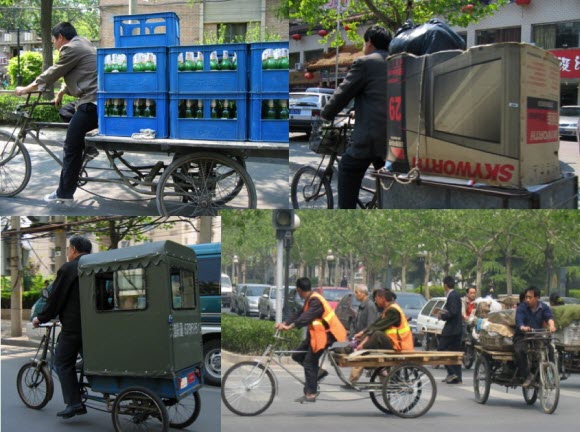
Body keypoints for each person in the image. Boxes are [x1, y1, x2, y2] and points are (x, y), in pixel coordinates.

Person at [15, 22, 98, 205]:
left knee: (70, 148)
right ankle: (89, 145)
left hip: (91, 103)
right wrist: (61, 92)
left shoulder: (70, 48)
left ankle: (64, 194)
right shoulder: (83, 42)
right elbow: (80, 73)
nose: (54, 44)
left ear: (60, 37)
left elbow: (54, 72)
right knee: (66, 110)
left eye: (54, 41)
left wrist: (27, 88)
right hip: (94, 99)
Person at [320, 25, 392, 208]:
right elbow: (379, 96)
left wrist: (326, 114)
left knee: (347, 169)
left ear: (369, 42)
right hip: (395, 137)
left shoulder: (365, 63)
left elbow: (342, 94)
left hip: (371, 137)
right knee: (388, 179)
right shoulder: (398, 61)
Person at [32, 235, 92, 419]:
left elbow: (55, 298)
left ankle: (74, 403)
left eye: (67, 249)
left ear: (73, 249)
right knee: (92, 362)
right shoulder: (95, 264)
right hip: (95, 327)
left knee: (61, 362)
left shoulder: (69, 268)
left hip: (74, 327)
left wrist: (40, 318)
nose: (67, 253)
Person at [276, 277, 347, 403]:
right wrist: (285, 323)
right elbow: (299, 313)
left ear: (298, 289)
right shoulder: (310, 299)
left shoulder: (316, 301)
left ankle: (311, 393)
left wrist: (290, 327)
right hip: (315, 335)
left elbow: (306, 317)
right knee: (297, 356)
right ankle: (318, 373)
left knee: (309, 362)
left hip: (325, 336)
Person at [346, 289, 414, 386]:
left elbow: (379, 326)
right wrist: (363, 333)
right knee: (370, 335)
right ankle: (378, 370)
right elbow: (376, 323)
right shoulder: (387, 310)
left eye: (376, 298)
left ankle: (359, 353)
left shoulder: (393, 311)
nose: (375, 301)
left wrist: (362, 343)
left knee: (376, 334)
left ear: (382, 298)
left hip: (399, 345)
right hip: (392, 343)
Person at [514, 287, 556, 387]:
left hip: (538, 335)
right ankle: (527, 376)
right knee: (520, 351)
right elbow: (519, 320)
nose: (527, 300)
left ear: (537, 297)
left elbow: (549, 317)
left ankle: (552, 374)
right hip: (522, 336)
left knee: (549, 349)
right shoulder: (521, 308)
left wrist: (552, 325)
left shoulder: (544, 307)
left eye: (530, 297)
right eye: (526, 297)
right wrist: (523, 327)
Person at [437, 276, 463, 384]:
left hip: (452, 329)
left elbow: (453, 312)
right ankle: (456, 377)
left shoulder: (452, 296)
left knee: (441, 349)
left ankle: (452, 373)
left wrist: (442, 316)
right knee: (455, 353)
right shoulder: (455, 295)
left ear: (445, 285)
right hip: (457, 329)